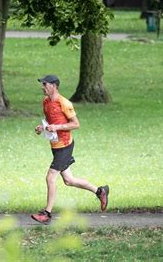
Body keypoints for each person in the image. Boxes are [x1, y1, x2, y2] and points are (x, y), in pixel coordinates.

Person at [31, 74, 109, 224]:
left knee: (50, 177)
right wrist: (43, 127)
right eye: (43, 84)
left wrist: (57, 127)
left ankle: (46, 213)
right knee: (69, 180)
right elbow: (51, 121)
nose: (43, 87)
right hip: (55, 145)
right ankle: (100, 191)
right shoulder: (46, 102)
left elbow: (76, 124)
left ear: (54, 86)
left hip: (65, 146)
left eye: (45, 84)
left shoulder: (64, 103)